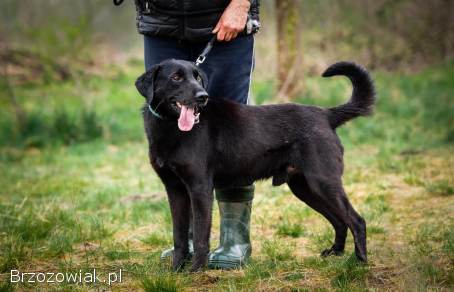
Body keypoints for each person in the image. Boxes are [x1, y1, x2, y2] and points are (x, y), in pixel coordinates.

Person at [116, 0, 260, 269]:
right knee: (167, 117)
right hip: (160, 21)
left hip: (225, 19)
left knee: (232, 136)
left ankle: (234, 241)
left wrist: (241, 3)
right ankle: (187, 243)